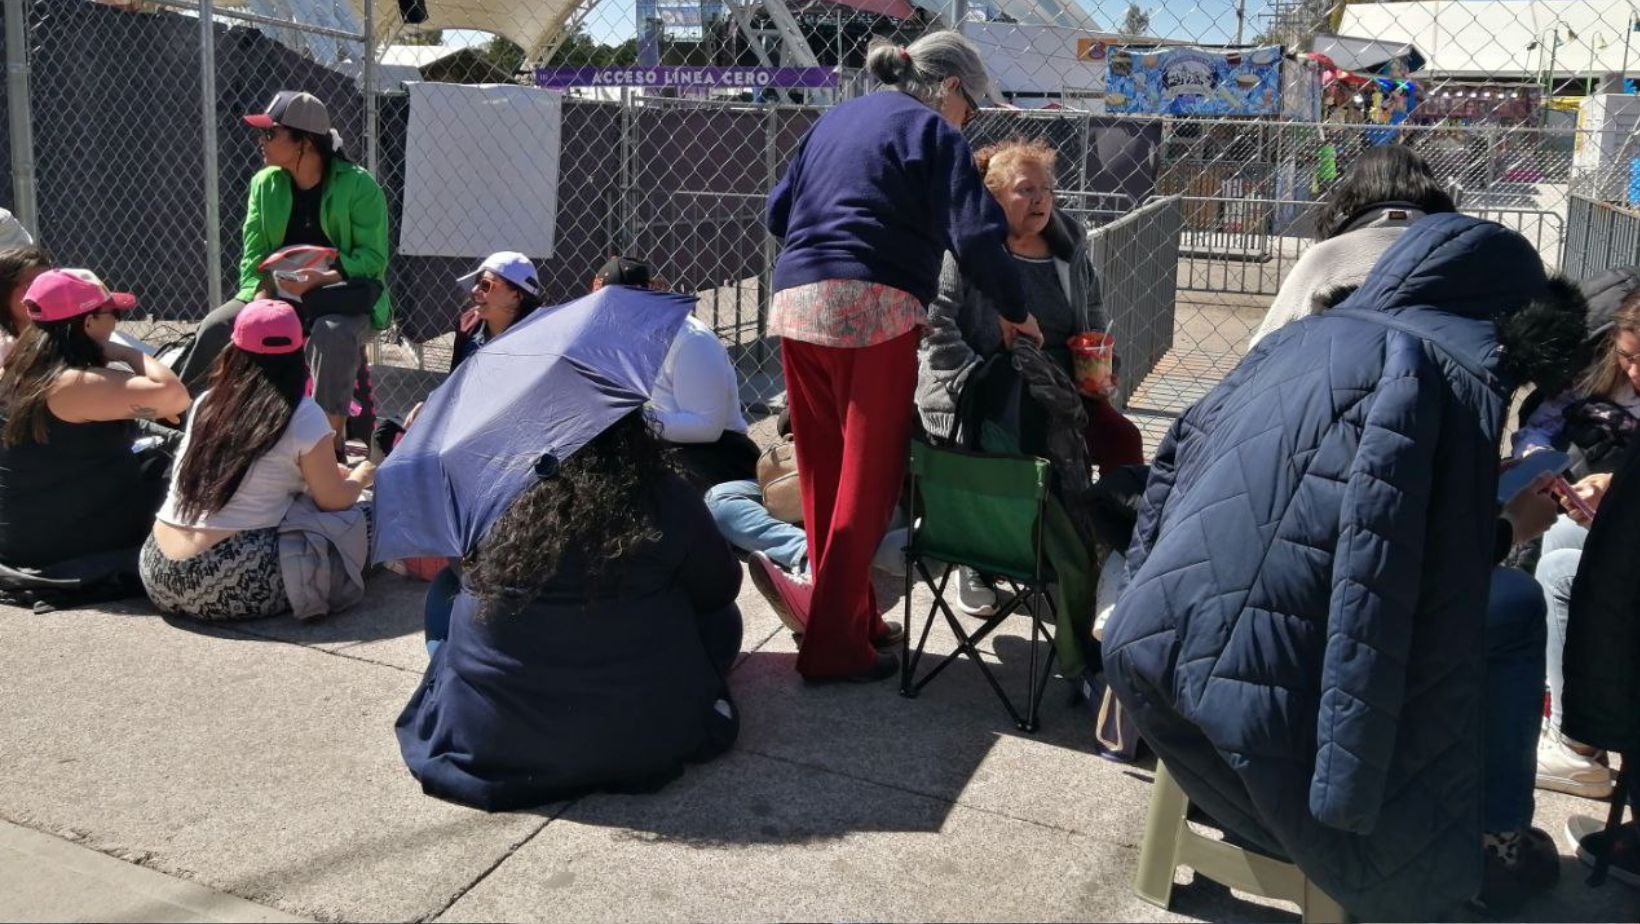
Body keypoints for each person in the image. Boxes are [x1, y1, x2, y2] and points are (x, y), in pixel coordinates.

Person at [1102, 214, 1588, 920]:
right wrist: (1511, 524)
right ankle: (1500, 838)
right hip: (1267, 704)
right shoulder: (1442, 378)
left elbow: (1170, 473)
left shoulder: (1299, 340)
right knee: (1514, 610)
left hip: (1151, 648)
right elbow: (1405, 592)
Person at [764, 30, 1040, 682]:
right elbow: (975, 234)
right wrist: (1015, 309)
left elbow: (780, 213)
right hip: (876, 303)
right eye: (970, 106)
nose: (968, 120)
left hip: (797, 300)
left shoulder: (834, 120)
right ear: (948, 86)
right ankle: (832, 646)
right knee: (871, 475)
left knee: (824, 471)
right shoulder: (932, 132)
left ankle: (855, 616)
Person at [398, 408, 743, 811]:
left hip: (492, 738)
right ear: (629, 428)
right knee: (723, 621)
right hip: (637, 732)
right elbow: (720, 588)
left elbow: (462, 570)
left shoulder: (487, 489)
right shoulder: (665, 494)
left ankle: (465, 681)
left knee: (445, 592)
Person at [917, 137, 1144, 615]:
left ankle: (1109, 559)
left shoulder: (1068, 244)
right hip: (990, 384)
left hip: (1066, 384)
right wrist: (973, 380)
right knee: (1014, 445)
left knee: (1122, 439)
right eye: (1025, 190)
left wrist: (1102, 366)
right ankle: (978, 557)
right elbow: (936, 324)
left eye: (1046, 189)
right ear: (994, 197)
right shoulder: (967, 248)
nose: (1041, 199)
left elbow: (1094, 313)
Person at [173, 91, 391, 458]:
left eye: (270, 133)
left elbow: (372, 258)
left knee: (332, 333)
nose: (261, 141)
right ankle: (178, 424)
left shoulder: (359, 186)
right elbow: (254, 253)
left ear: (304, 141)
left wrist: (323, 277)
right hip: (279, 294)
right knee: (216, 327)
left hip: (340, 296)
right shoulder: (264, 184)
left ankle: (326, 444)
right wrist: (254, 298)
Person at [141, 300, 375, 621]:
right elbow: (333, 500)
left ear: (234, 349)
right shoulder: (303, 413)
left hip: (158, 569)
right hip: (229, 577)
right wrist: (362, 475)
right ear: (301, 349)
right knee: (367, 517)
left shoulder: (208, 402)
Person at [1521, 272, 1640, 800]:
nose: (1633, 372)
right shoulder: (1598, 377)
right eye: (1627, 357)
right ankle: (1564, 696)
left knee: (1562, 570)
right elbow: (1542, 423)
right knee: (1562, 543)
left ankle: (1577, 746)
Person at [0, 270, 190, 569]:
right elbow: (176, 397)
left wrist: (144, 407)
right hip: (67, 541)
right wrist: (127, 353)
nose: (117, 321)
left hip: (29, 529)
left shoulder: (19, 368)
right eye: (112, 312)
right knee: (193, 484)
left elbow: (159, 407)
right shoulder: (72, 383)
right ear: (88, 323)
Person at [1248, 145, 1456, 348]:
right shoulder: (1459, 254)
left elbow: (1265, 344)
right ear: (1430, 188)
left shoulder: (1328, 256)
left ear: (1353, 190)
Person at [591, 255, 758, 490]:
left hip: (719, 455)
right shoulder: (624, 339)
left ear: (644, 298)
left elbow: (706, 427)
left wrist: (632, 420)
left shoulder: (690, 339)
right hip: (663, 445)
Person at [451, 251, 545, 370]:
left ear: (516, 296)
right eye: (477, 282)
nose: (474, 290)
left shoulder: (539, 342)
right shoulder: (467, 325)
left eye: (485, 284)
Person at [0, 246, 53, 367]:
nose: (44, 293)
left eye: (49, 284)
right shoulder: (4, 347)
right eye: (31, 285)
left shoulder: (69, 335)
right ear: (4, 294)